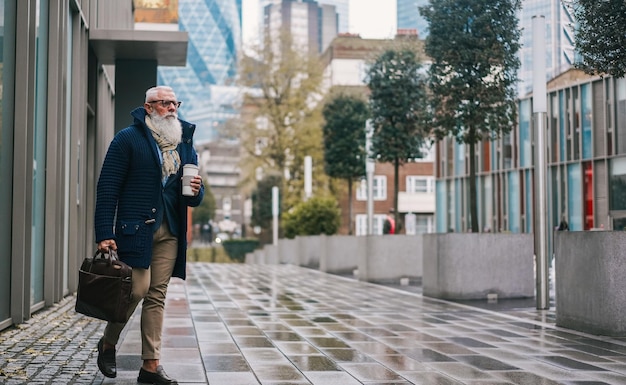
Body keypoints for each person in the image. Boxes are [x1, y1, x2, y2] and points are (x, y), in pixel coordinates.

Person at [94, 86, 204, 385]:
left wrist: (196, 192)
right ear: (148, 107)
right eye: (164, 103)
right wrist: (104, 231)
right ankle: (108, 342)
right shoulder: (127, 139)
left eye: (174, 103)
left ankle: (151, 367)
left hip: (170, 230)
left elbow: (193, 193)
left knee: (157, 295)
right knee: (137, 289)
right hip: (136, 230)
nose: (171, 108)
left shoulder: (184, 144)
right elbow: (108, 187)